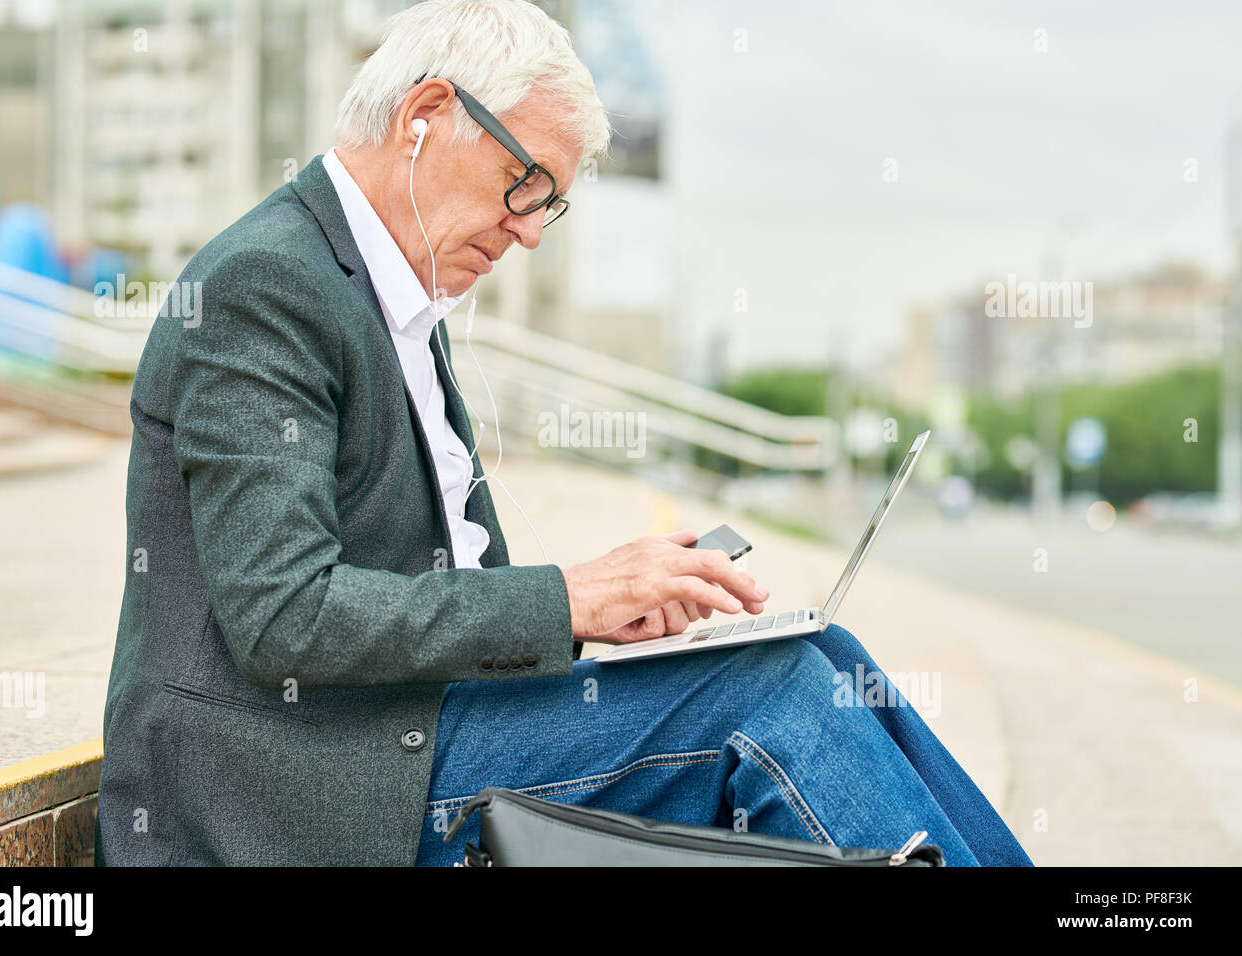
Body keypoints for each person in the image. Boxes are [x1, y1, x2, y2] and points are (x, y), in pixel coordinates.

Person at [96, 0, 1030, 867]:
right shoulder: (268, 286)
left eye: (547, 200)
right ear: (424, 115)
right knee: (775, 694)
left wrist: (599, 611)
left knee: (830, 661)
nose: (530, 229)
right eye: (524, 182)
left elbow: (418, 590)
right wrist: (568, 600)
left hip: (397, 732)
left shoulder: (388, 291)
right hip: (293, 784)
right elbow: (286, 615)